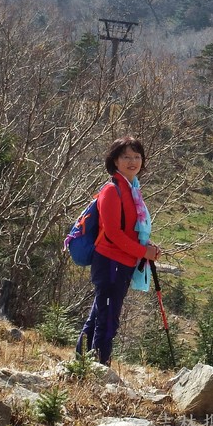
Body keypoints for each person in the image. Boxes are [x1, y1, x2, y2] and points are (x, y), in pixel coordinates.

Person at [76, 136, 161, 365]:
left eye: (136, 156)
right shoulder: (112, 191)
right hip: (110, 262)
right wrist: (143, 252)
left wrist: (146, 247)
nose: (132, 161)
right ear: (114, 160)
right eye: (126, 157)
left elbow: (130, 229)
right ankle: (99, 370)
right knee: (108, 320)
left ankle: (81, 362)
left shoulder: (132, 190)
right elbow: (113, 233)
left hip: (122, 263)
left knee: (99, 315)